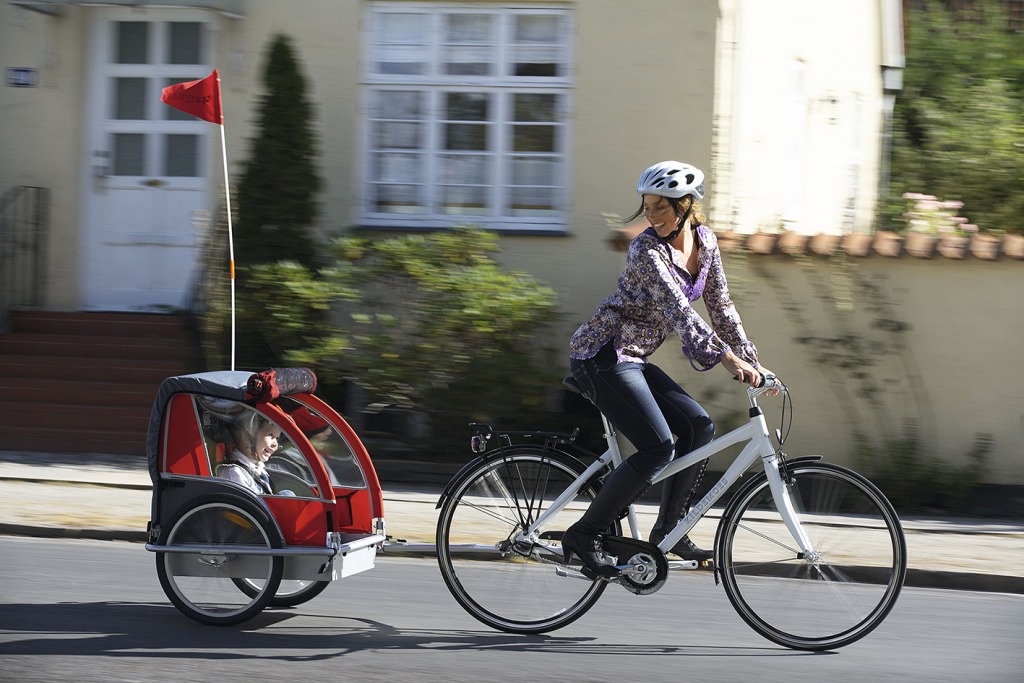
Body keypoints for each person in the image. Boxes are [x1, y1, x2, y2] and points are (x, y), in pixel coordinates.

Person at [563, 160, 774, 579]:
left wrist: (751, 358)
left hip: (634, 357)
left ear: (687, 207)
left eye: (661, 207)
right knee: (658, 446)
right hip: (601, 354)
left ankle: (670, 530)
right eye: (647, 206)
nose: (652, 216)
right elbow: (680, 313)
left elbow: (721, 307)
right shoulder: (646, 250)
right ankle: (584, 535)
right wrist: (727, 360)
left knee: (699, 427)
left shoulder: (706, 243)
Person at [218, 412, 283, 495]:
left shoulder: (257, 466)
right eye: (271, 435)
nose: (275, 445)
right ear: (246, 437)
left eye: (277, 438)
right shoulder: (234, 473)